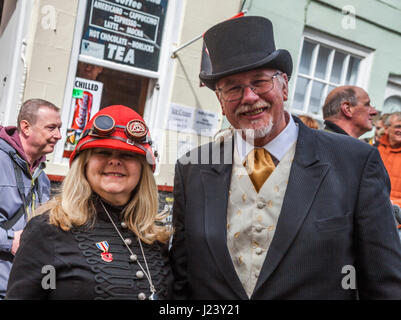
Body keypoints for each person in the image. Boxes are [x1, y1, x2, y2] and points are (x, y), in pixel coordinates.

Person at [169, 16, 401, 299]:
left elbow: (385, 283)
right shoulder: (192, 169)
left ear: (284, 86)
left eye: (260, 82)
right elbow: (182, 280)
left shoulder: (355, 162)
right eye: (232, 87)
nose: (250, 97)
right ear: (219, 99)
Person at [6, 105, 172, 300]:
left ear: (144, 168)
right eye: (102, 152)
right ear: (83, 163)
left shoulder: (157, 237)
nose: (114, 161)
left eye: (128, 155)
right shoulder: (48, 230)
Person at [0, 99, 62, 299]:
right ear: (26, 127)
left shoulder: (42, 177)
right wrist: (10, 241)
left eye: (59, 128)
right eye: (51, 128)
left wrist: (48, 288)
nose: (58, 136)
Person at [378, 112, 401, 207]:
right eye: (398, 126)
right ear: (386, 129)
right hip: (371, 214)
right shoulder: (375, 149)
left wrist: (394, 205)